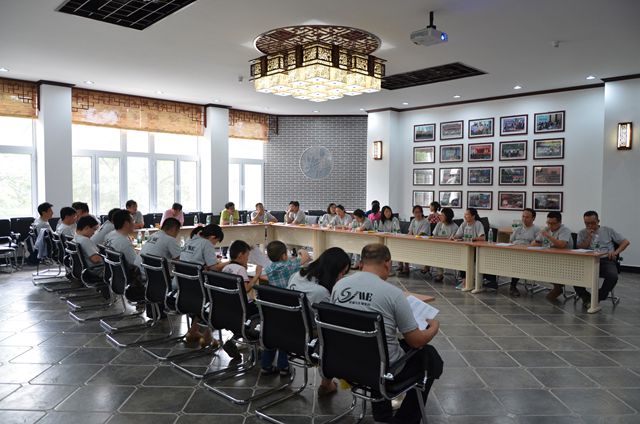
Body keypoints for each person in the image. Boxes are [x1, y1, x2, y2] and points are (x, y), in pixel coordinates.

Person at [331, 244, 442, 424]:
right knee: (430, 358)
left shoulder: (339, 285)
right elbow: (416, 342)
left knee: (376, 345)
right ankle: (406, 420)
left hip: (344, 362)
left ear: (361, 263)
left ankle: (382, 414)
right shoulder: (393, 294)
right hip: (381, 369)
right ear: (387, 264)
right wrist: (434, 327)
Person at [288, 246, 351, 396]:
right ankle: (327, 383)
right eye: (342, 273)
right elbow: (331, 323)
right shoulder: (321, 293)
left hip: (289, 331)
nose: (341, 277)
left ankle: (327, 383)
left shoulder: (296, 276)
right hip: (309, 337)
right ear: (333, 271)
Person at [262, 240, 311, 375]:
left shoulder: (268, 268)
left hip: (273, 308)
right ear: (284, 255)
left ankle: (266, 364)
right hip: (288, 308)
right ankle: (283, 366)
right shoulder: (290, 265)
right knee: (284, 335)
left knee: (272, 334)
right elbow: (306, 257)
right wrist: (300, 250)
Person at [178, 224, 226, 347]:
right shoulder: (206, 243)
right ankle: (207, 337)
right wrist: (230, 262)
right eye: (216, 242)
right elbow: (214, 268)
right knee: (215, 299)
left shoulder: (190, 240)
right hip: (196, 287)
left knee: (206, 298)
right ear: (213, 237)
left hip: (183, 284)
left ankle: (193, 331)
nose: (214, 245)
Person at [574, 210, 629, 306]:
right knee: (573, 274)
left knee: (612, 276)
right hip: (588, 260)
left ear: (598, 221)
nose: (590, 225)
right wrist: (589, 237)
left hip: (605, 259)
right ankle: (586, 297)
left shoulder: (608, 230)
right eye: (587, 223)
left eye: (592, 223)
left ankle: (598, 297)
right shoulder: (582, 232)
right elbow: (580, 247)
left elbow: (625, 242)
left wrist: (615, 253)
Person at [220, 239, 263, 359]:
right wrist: (257, 275)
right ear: (240, 255)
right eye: (247, 256)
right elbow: (246, 289)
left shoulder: (226, 268)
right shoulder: (240, 270)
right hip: (243, 308)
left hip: (229, 307)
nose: (248, 259)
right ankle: (258, 347)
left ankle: (234, 340)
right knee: (263, 310)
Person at [532, 211, 574, 302]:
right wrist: (539, 240)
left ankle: (558, 287)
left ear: (559, 222)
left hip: (565, 259)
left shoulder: (565, 230)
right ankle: (557, 286)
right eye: (548, 223)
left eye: (553, 223)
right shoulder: (546, 229)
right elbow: (533, 244)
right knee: (535, 265)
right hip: (550, 257)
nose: (550, 226)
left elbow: (562, 245)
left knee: (548, 266)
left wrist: (548, 237)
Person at [503, 208, 540, 297]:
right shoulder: (518, 229)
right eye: (523, 216)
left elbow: (538, 243)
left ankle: (513, 286)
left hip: (528, 255)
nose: (524, 219)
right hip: (514, 252)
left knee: (518, 263)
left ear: (533, 218)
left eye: (527, 217)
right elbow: (511, 241)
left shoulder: (536, 229)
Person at [451, 208, 485, 289]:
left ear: (473, 216)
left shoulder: (478, 224)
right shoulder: (464, 224)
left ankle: (469, 282)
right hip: (466, 249)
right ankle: (465, 281)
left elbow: (482, 238)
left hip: (476, 249)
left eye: (467, 214)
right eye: (465, 214)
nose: (465, 216)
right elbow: (458, 234)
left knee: (465, 259)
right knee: (461, 259)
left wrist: (473, 239)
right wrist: (454, 236)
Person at [399, 205, 430, 276]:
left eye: (419, 212)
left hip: (423, 243)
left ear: (422, 212)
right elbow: (410, 232)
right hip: (414, 241)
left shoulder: (426, 222)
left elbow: (422, 234)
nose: (417, 214)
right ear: (413, 213)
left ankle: (427, 266)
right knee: (403, 247)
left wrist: (413, 238)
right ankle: (406, 267)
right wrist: (406, 238)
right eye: (415, 212)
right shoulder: (413, 221)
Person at [431, 207, 459, 282]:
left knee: (439, 253)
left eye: (442, 215)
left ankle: (440, 274)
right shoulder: (439, 224)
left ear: (448, 216)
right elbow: (434, 236)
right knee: (435, 252)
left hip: (450, 249)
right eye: (440, 215)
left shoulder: (455, 227)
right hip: (438, 246)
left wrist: (440, 237)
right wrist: (444, 237)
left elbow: (451, 239)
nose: (440, 216)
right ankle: (439, 274)